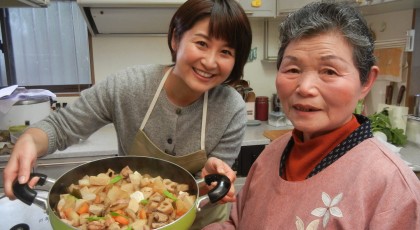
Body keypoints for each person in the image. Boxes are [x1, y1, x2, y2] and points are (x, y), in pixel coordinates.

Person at [3, 0, 252, 228]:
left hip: (202, 223)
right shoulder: (129, 87)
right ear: (176, 39)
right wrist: (29, 141)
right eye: (201, 44)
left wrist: (215, 175)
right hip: (128, 219)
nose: (210, 62)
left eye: (226, 52)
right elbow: (60, 127)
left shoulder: (232, 108)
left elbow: (213, 186)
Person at [204, 1, 420, 229]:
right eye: (293, 69)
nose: (305, 87)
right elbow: (237, 224)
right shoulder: (271, 154)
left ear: (366, 81)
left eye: (329, 71)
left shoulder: (392, 188)